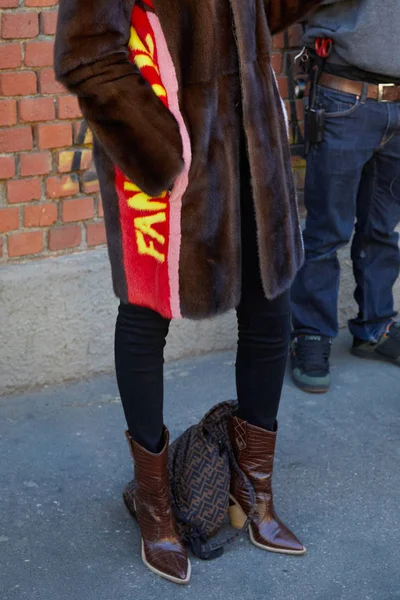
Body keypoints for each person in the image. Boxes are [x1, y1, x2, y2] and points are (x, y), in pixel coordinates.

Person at [54, 0, 322, 584]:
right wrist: (161, 150)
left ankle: (255, 493)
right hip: (171, 150)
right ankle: (154, 507)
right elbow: (87, 51)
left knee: (271, 307)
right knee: (146, 314)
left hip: (253, 141)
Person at [291, 0, 400, 394]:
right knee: (327, 231)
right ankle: (311, 334)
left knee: (382, 228)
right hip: (344, 97)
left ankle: (376, 326)